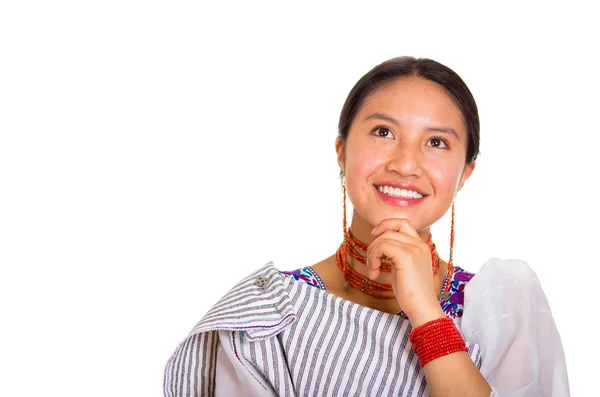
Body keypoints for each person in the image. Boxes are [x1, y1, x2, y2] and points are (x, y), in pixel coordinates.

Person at [163, 56, 569, 397]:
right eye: (383, 132)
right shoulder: (266, 316)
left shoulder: (504, 305)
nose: (406, 164)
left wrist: (426, 313)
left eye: (437, 142)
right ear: (341, 152)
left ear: (465, 173)